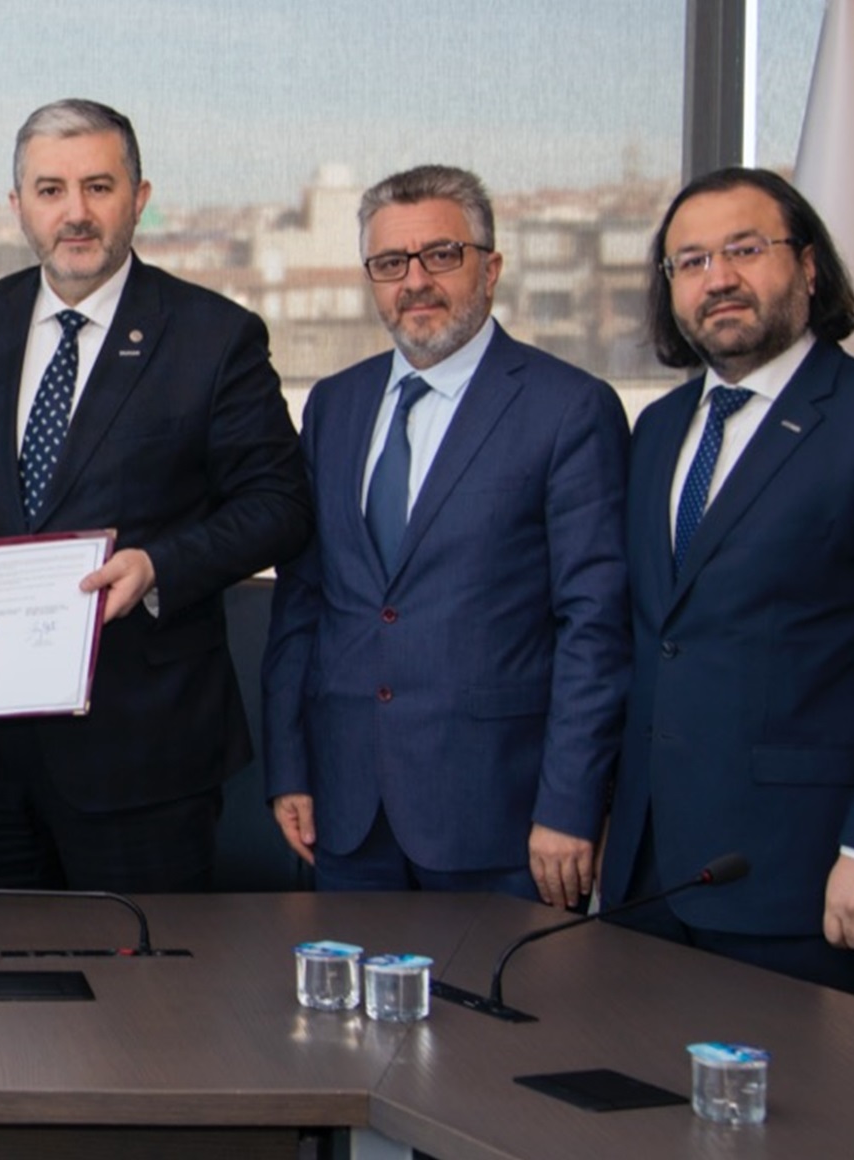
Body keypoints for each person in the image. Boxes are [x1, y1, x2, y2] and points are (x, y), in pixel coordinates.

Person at [0, 99, 310, 893]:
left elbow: (279, 503)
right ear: (17, 206)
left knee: (142, 973)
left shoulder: (214, 336)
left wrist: (159, 565)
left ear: (139, 198)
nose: (75, 212)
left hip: (142, 750)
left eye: (98, 187)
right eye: (50, 190)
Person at [602, 167, 854, 1000]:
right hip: (652, 880)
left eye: (745, 250)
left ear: (809, 268)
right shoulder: (658, 430)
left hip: (811, 881)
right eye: (691, 261)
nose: (719, 278)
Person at [261, 165, 628, 908]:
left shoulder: (568, 408)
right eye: (390, 263)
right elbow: (304, 601)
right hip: (348, 810)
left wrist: (570, 803)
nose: (416, 281)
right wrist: (289, 767)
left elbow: (594, 625)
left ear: (490, 269)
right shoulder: (334, 405)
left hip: (499, 811)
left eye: (441, 255)